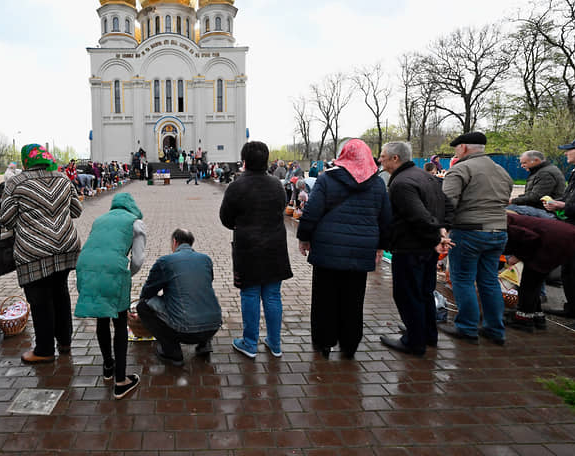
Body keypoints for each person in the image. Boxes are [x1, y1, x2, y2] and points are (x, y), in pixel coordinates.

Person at [297, 139, 391, 359]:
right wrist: (381, 246)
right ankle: (349, 345)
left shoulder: (327, 179)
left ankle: (324, 342)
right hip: (360, 253)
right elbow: (386, 219)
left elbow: (311, 212)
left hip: (327, 251)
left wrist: (304, 238)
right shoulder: (377, 184)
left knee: (324, 299)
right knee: (353, 300)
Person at [0, 144, 82, 363]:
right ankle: (65, 341)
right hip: (65, 245)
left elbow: (6, 219)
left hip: (34, 251)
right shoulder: (63, 178)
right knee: (61, 293)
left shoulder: (15, 182)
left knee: (39, 300)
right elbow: (77, 211)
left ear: (26, 161)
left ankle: (44, 350)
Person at [377, 142, 453, 356]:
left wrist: (437, 234)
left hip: (410, 248)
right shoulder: (426, 176)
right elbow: (448, 207)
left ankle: (414, 341)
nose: (379, 160)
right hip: (427, 247)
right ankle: (426, 333)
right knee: (424, 292)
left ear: (395, 158)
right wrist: (442, 231)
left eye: (383, 156)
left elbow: (417, 215)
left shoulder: (401, 183)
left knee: (408, 294)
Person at [220, 141, 292, 359]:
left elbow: (225, 218)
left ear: (244, 161)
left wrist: (241, 225)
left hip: (248, 248)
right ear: (266, 160)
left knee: (250, 293)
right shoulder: (277, 185)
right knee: (272, 295)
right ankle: (275, 343)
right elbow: (283, 207)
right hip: (275, 247)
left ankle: (250, 343)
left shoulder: (237, 186)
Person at [440, 132, 513, 345]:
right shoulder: (502, 171)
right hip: (499, 231)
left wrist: (441, 228)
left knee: (462, 279)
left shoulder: (460, 169)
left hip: (469, 231)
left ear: (462, 147)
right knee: (489, 280)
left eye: (456, 148)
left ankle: (467, 327)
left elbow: (447, 202)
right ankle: (494, 329)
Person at [75, 193, 146, 399]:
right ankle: (121, 380)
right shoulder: (135, 222)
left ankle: (108, 367)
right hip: (113, 270)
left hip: (86, 267)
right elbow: (138, 260)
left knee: (102, 316)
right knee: (120, 320)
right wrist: (126, 274)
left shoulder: (100, 219)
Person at [136, 229, 222, 366]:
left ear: (174, 242)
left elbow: (148, 292)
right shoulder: (206, 259)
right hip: (214, 325)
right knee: (200, 296)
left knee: (143, 306)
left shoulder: (165, 261)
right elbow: (206, 283)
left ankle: (172, 352)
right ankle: (204, 344)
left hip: (185, 330)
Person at [504, 212, 575, 332]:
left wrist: (517, 256)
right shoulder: (505, 217)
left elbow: (530, 239)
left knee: (528, 283)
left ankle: (523, 319)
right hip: (561, 238)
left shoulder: (503, 222)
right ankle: (536, 315)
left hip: (552, 241)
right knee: (535, 281)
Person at [543, 136, 575, 330]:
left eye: (570, 149)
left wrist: (566, 206)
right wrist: (556, 203)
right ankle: (573, 307)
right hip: (572, 229)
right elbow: (571, 197)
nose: (565, 153)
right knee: (568, 271)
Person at [507, 151, 565, 219]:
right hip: (543, 209)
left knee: (505, 209)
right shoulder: (543, 170)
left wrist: (512, 201)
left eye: (524, 163)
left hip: (547, 212)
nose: (522, 166)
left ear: (536, 160)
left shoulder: (545, 173)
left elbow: (535, 197)